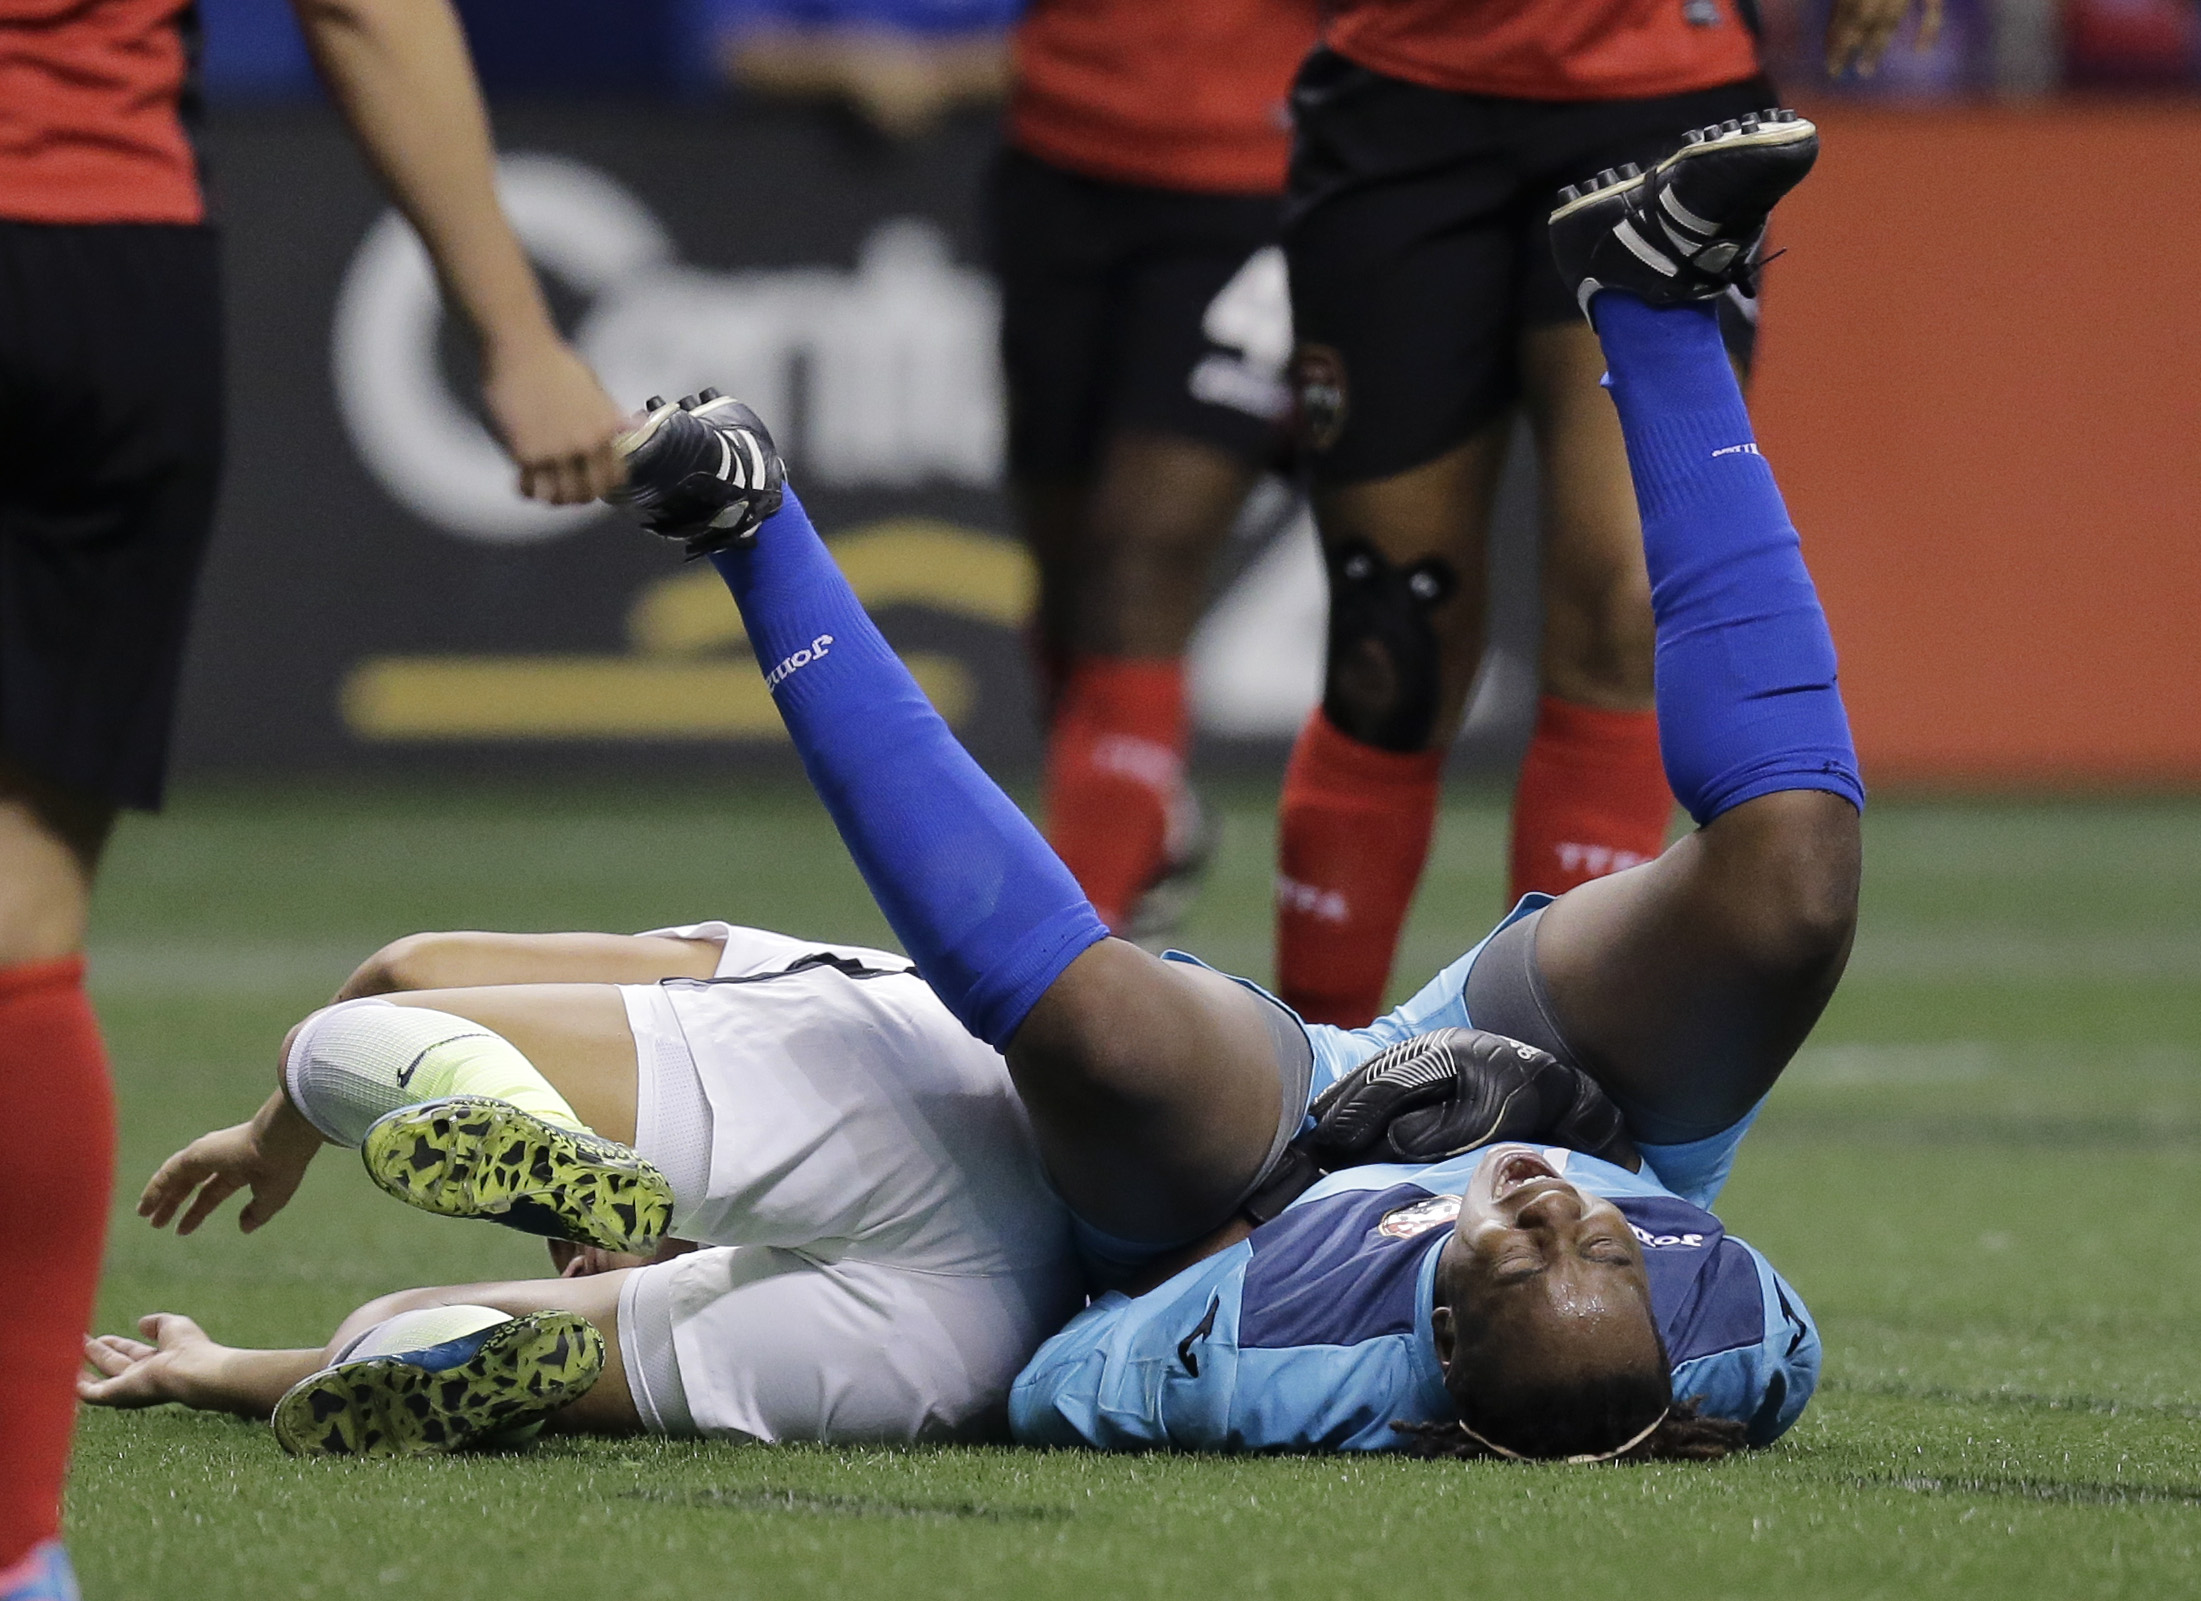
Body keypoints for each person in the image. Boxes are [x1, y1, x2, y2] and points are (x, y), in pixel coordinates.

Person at [591, 108, 1857, 1459]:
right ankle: (1656, 293)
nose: (1556, 1210)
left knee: (1102, 1041)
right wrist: (1594, 1214)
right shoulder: (1736, 1329)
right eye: (1603, 1254)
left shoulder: (1274, 1362)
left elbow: (1045, 1377)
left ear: (1429, 1349)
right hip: (1563, 1078)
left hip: (1266, 1171)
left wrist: (1235, 1234)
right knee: (1791, 894)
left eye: (1519, 1257)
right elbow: (1632, 1300)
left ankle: (750, 523)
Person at [1, 0, 624, 1588]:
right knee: (23, 925)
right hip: (104, 261)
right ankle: (19, 1559)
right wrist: (513, 329)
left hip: (96, 233)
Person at [1270, 0, 1930, 1026]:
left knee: (1623, 608)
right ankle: (1307, 1097)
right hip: (1399, 93)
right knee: (1388, 641)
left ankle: (1540, 1087)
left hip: (1660, 87)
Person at [80, 920, 1079, 1452]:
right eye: (560, 1233)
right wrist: (206, 1367)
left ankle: (550, 1136)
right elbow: (356, 1377)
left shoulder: (788, 973)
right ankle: (548, 1141)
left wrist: (275, 1135)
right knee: (399, 1328)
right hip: (980, 1348)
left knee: (335, 1042)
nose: (568, 1257)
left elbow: (407, 970)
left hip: (937, 1106)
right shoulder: (800, 979)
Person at [991, 0, 1319, 936]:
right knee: (1066, 573)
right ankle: (1136, 801)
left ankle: (1072, 949)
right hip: (1058, 151)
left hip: (1255, 174)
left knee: (1141, 553)